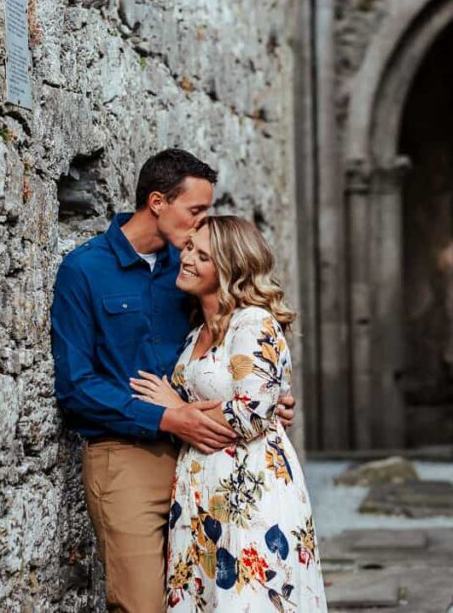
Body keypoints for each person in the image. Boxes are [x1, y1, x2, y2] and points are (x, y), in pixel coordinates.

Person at [50, 149, 296, 612]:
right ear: (158, 202)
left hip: (203, 463)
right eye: (197, 211)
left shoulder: (190, 269)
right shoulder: (83, 270)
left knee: (211, 601)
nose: (204, 223)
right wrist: (166, 417)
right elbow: (77, 387)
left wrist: (267, 397)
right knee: (142, 604)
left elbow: (234, 346)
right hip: (128, 460)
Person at [130, 216, 327, 612]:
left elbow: (252, 413)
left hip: (251, 488)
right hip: (200, 487)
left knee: (250, 599)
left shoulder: (253, 322)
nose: (186, 258)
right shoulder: (195, 332)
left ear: (229, 270)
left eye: (202, 256)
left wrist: (179, 409)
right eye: (189, 248)